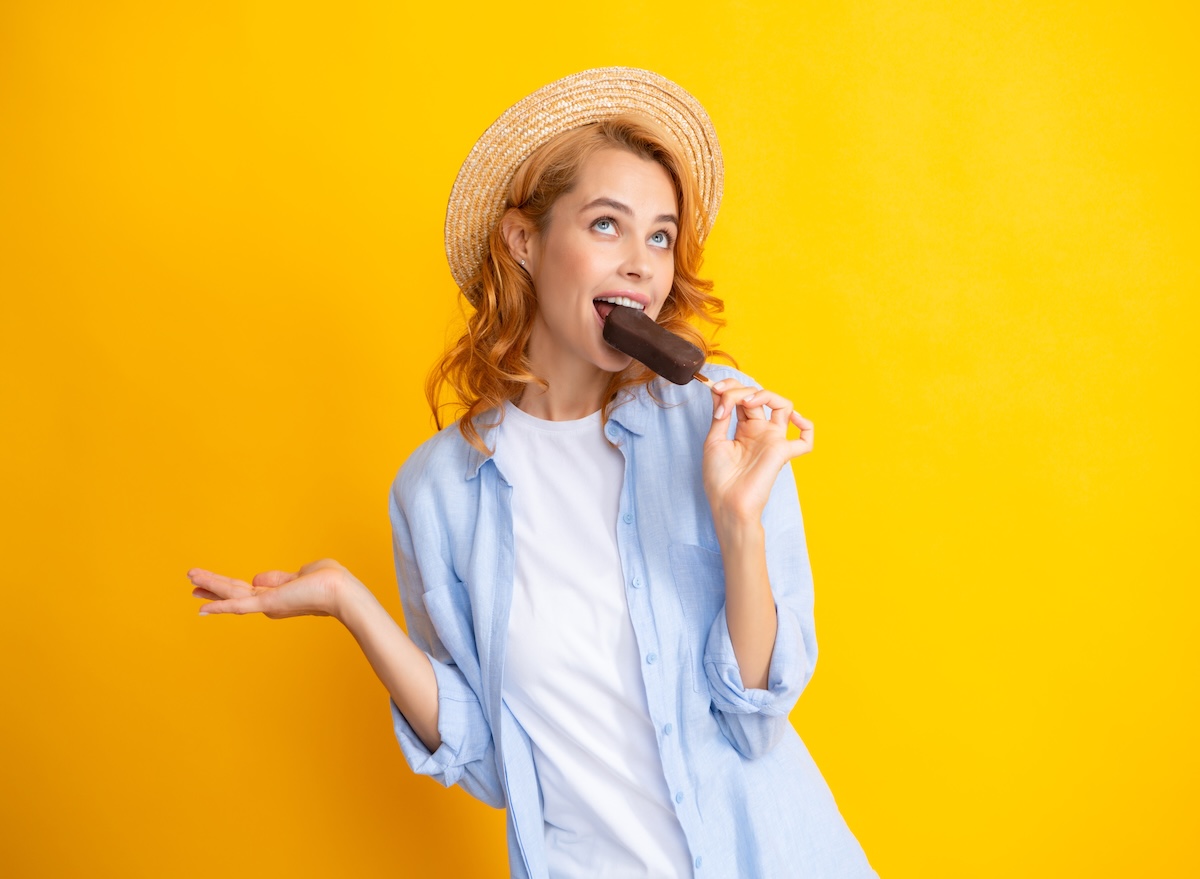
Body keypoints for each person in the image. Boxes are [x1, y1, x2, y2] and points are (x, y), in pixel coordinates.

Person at [189, 68, 876, 878]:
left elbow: (755, 716)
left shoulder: (720, 430)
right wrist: (350, 601)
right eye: (607, 225)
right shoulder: (437, 493)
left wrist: (737, 525)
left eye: (659, 236)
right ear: (524, 240)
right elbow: (487, 758)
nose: (641, 267)